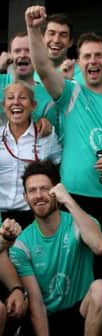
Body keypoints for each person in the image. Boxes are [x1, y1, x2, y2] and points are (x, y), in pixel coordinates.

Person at [26, 5, 102, 250]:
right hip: (72, 198)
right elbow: (42, 67)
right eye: (87, 56)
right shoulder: (70, 91)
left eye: (99, 55)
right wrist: (32, 28)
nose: (93, 61)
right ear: (79, 62)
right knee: (73, 268)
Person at [9, 160, 102, 336]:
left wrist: (69, 201)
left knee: (101, 288)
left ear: (56, 190)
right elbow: (35, 302)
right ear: (25, 197)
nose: (39, 195)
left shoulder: (78, 222)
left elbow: (100, 246)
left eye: (45, 188)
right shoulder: (22, 244)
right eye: (32, 191)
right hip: (48, 321)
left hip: (81, 318)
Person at [0, 82, 61, 227]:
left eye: (22, 97)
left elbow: (59, 170)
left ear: (33, 105)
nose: (16, 102)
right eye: (10, 98)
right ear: (4, 106)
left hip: (34, 217)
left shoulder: (46, 136)